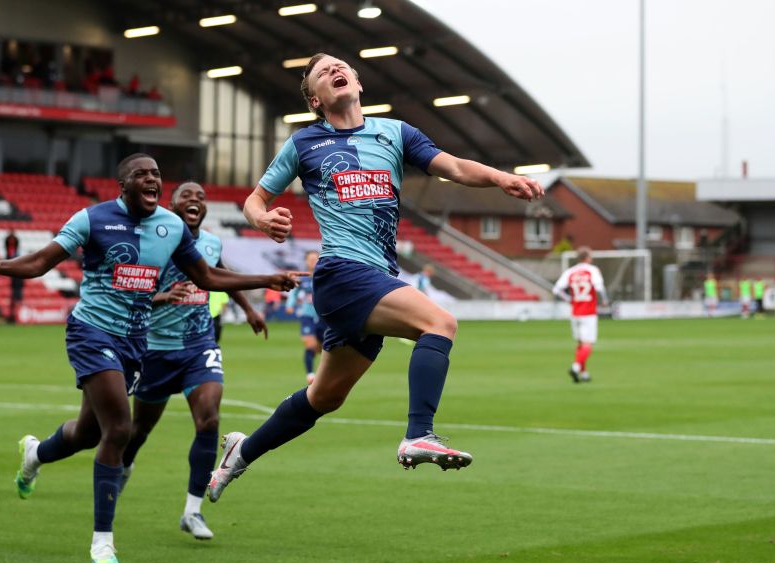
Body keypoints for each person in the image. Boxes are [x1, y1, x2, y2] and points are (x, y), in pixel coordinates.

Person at [207, 52, 544, 504]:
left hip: (373, 275)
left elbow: (456, 168)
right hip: (343, 273)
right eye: (322, 74)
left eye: (340, 67)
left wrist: (502, 178)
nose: (334, 72)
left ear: (358, 84)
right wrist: (263, 219)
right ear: (314, 99)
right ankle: (419, 434)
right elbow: (255, 198)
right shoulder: (304, 143)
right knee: (440, 323)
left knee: (324, 398)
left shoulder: (395, 132)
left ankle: (241, 451)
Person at [0, 154, 298, 563]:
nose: (152, 179)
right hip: (92, 332)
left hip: (135, 343)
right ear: (123, 184)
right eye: (142, 174)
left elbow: (208, 277)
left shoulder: (171, 227)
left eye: (157, 174)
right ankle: (103, 542)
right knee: (120, 428)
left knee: (89, 433)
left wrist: (264, 280)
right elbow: (42, 261)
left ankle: (35, 453)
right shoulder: (91, 219)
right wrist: (1, 266)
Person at [118, 181, 275, 541]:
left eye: (201, 197)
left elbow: (217, 275)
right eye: (187, 196)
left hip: (198, 344)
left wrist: (249, 308)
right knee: (139, 430)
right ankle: (122, 468)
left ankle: (192, 510)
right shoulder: (153, 241)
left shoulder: (210, 242)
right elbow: (130, 292)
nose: (195, 201)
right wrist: (163, 297)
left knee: (210, 419)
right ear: (171, 205)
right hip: (155, 348)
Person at [552, 247, 608, 383]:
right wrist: (605, 300)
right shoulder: (592, 270)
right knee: (587, 345)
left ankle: (584, 374)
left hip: (575, 312)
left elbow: (556, 290)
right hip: (588, 312)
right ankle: (576, 367)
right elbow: (599, 287)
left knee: (580, 344)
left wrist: (569, 300)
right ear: (588, 258)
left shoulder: (570, 272)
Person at [285, 250, 327, 384]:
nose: (313, 262)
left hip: (324, 317)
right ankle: (310, 374)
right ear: (306, 262)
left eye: (315, 259)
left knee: (323, 348)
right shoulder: (302, 279)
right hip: (307, 316)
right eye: (310, 259)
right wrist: (290, 305)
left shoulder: (326, 277)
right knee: (310, 344)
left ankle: (324, 374)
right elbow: (293, 293)